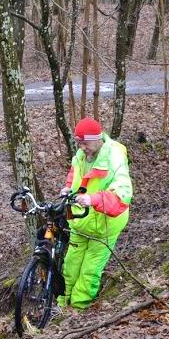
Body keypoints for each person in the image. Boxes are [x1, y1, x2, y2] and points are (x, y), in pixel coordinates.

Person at [57, 117, 133, 309]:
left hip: (104, 227)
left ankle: (77, 309)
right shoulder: (83, 153)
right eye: (79, 143)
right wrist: (67, 188)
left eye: (85, 143)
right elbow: (75, 172)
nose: (81, 147)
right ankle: (62, 303)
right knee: (70, 264)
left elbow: (122, 195)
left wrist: (93, 200)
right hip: (79, 221)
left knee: (90, 270)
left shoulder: (114, 159)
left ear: (97, 139)